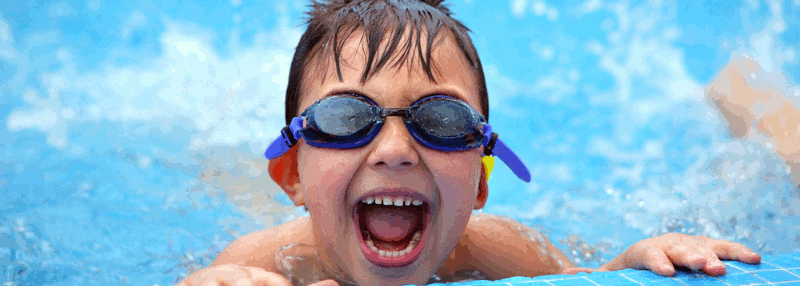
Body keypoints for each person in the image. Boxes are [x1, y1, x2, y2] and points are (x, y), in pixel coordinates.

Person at [176, 0, 761, 285]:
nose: (395, 149)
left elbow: (586, 276)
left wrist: (632, 260)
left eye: (444, 121)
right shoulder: (260, 264)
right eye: (346, 116)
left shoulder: (496, 249)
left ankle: (743, 90)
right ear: (292, 177)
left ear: (481, 182)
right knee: (222, 181)